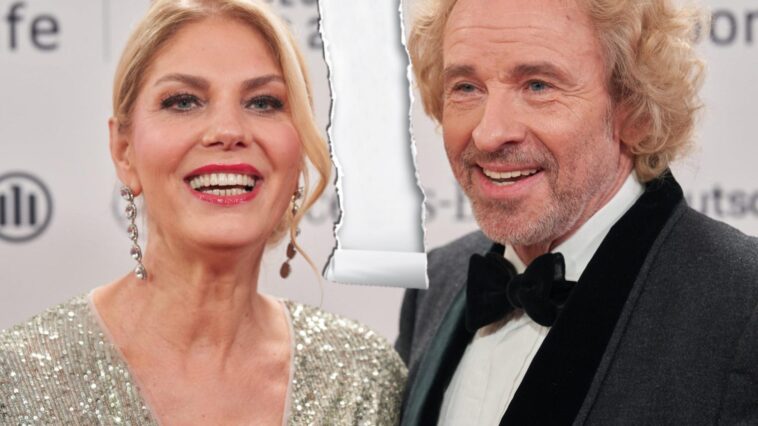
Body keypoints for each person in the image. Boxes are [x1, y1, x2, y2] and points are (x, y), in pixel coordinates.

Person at [0, 0, 406, 424]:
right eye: (183, 102)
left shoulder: (365, 380)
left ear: (300, 145)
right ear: (123, 150)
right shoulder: (19, 379)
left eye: (263, 103)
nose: (228, 131)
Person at [396, 0, 758, 424]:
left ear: (634, 106)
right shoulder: (436, 282)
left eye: (538, 86)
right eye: (466, 87)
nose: (490, 133)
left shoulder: (743, 304)